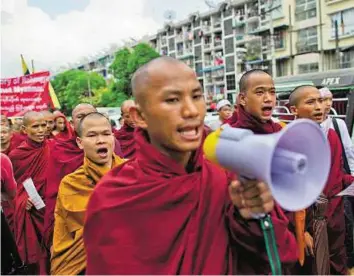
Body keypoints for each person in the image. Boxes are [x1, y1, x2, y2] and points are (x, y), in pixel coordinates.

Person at [83, 57, 297, 275]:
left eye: (196, 96)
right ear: (140, 117)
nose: (192, 111)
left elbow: (280, 256)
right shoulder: (114, 197)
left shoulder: (222, 178)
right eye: (173, 100)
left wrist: (251, 219)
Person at [232, 69, 303, 271]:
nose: (268, 98)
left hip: (286, 229)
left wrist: (300, 230)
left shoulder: (280, 132)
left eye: (272, 92)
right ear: (243, 99)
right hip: (250, 237)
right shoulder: (229, 137)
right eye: (260, 92)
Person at [289, 85, 354, 275]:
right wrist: (301, 231)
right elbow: (290, 192)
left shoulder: (330, 136)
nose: (319, 107)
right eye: (310, 102)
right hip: (309, 224)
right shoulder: (289, 141)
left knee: (338, 266)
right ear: (294, 110)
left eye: (320, 100)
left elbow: (337, 175)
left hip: (335, 219)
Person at [42, 104, 122, 256]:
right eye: (92, 135)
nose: (100, 140)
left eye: (106, 134)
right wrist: (55, 240)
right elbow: (55, 202)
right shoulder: (69, 182)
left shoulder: (131, 172)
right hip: (85, 254)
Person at [9, 111, 50, 274]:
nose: (41, 130)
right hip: (33, 211)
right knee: (38, 255)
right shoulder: (17, 155)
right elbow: (16, 187)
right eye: (35, 126)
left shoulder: (54, 147)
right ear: (25, 130)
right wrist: (22, 199)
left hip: (52, 208)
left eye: (43, 125)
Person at [320, 87, 354, 176]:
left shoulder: (338, 124)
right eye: (324, 100)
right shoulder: (307, 127)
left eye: (330, 99)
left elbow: (348, 151)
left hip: (338, 176)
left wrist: (352, 174)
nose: (328, 104)